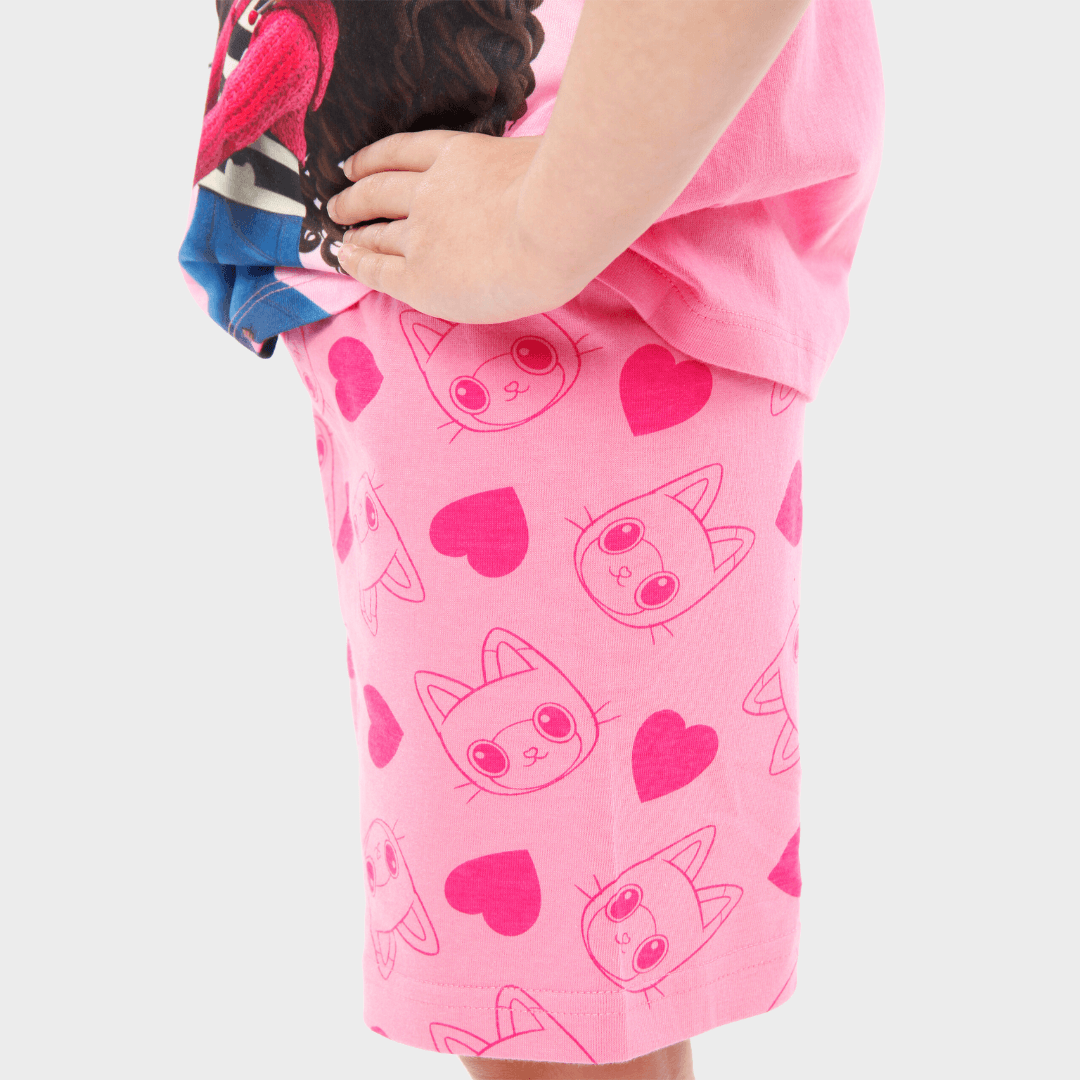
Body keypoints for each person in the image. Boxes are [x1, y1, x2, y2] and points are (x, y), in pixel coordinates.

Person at [179, 2, 883, 1077]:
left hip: (562, 258)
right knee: (564, 1021)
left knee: (556, 1028)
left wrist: (548, 219)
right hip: (454, 216)